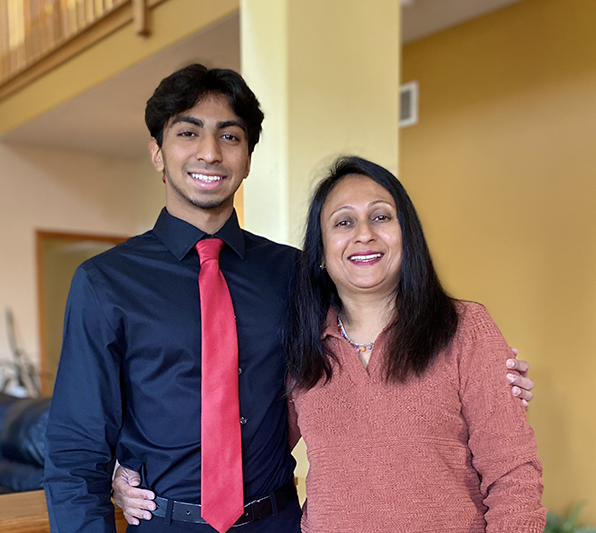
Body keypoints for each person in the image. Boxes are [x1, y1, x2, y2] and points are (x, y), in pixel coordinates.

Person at [45, 64, 534, 533]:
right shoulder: (104, 283)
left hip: (276, 522)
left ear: (248, 158)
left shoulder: (296, 273)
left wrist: (489, 378)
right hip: (164, 523)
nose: (210, 153)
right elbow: (74, 451)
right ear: (158, 152)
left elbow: (373, 331)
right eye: (188, 133)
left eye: (230, 136)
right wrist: (115, 474)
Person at [285, 156, 545, 531]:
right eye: (343, 222)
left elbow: (513, 476)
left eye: (381, 217)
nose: (364, 234)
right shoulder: (304, 345)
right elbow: (258, 450)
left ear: (407, 234)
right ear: (320, 252)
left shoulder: (465, 329)